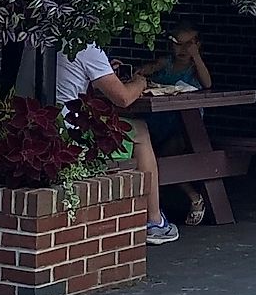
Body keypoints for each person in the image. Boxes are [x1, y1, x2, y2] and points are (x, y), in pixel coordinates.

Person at [56, 37, 180, 244]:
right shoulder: (84, 45)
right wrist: (139, 82)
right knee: (140, 130)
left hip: (47, 124)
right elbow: (122, 98)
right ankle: (155, 221)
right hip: (72, 131)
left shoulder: (41, 40)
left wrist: (105, 72)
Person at [144, 24, 215, 228]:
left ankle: (194, 197)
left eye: (189, 44)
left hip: (183, 124)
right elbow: (149, 69)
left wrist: (197, 57)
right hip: (157, 121)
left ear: (197, 45)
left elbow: (207, 83)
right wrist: (144, 71)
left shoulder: (195, 68)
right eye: (178, 44)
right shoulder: (165, 63)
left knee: (163, 160)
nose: (183, 49)